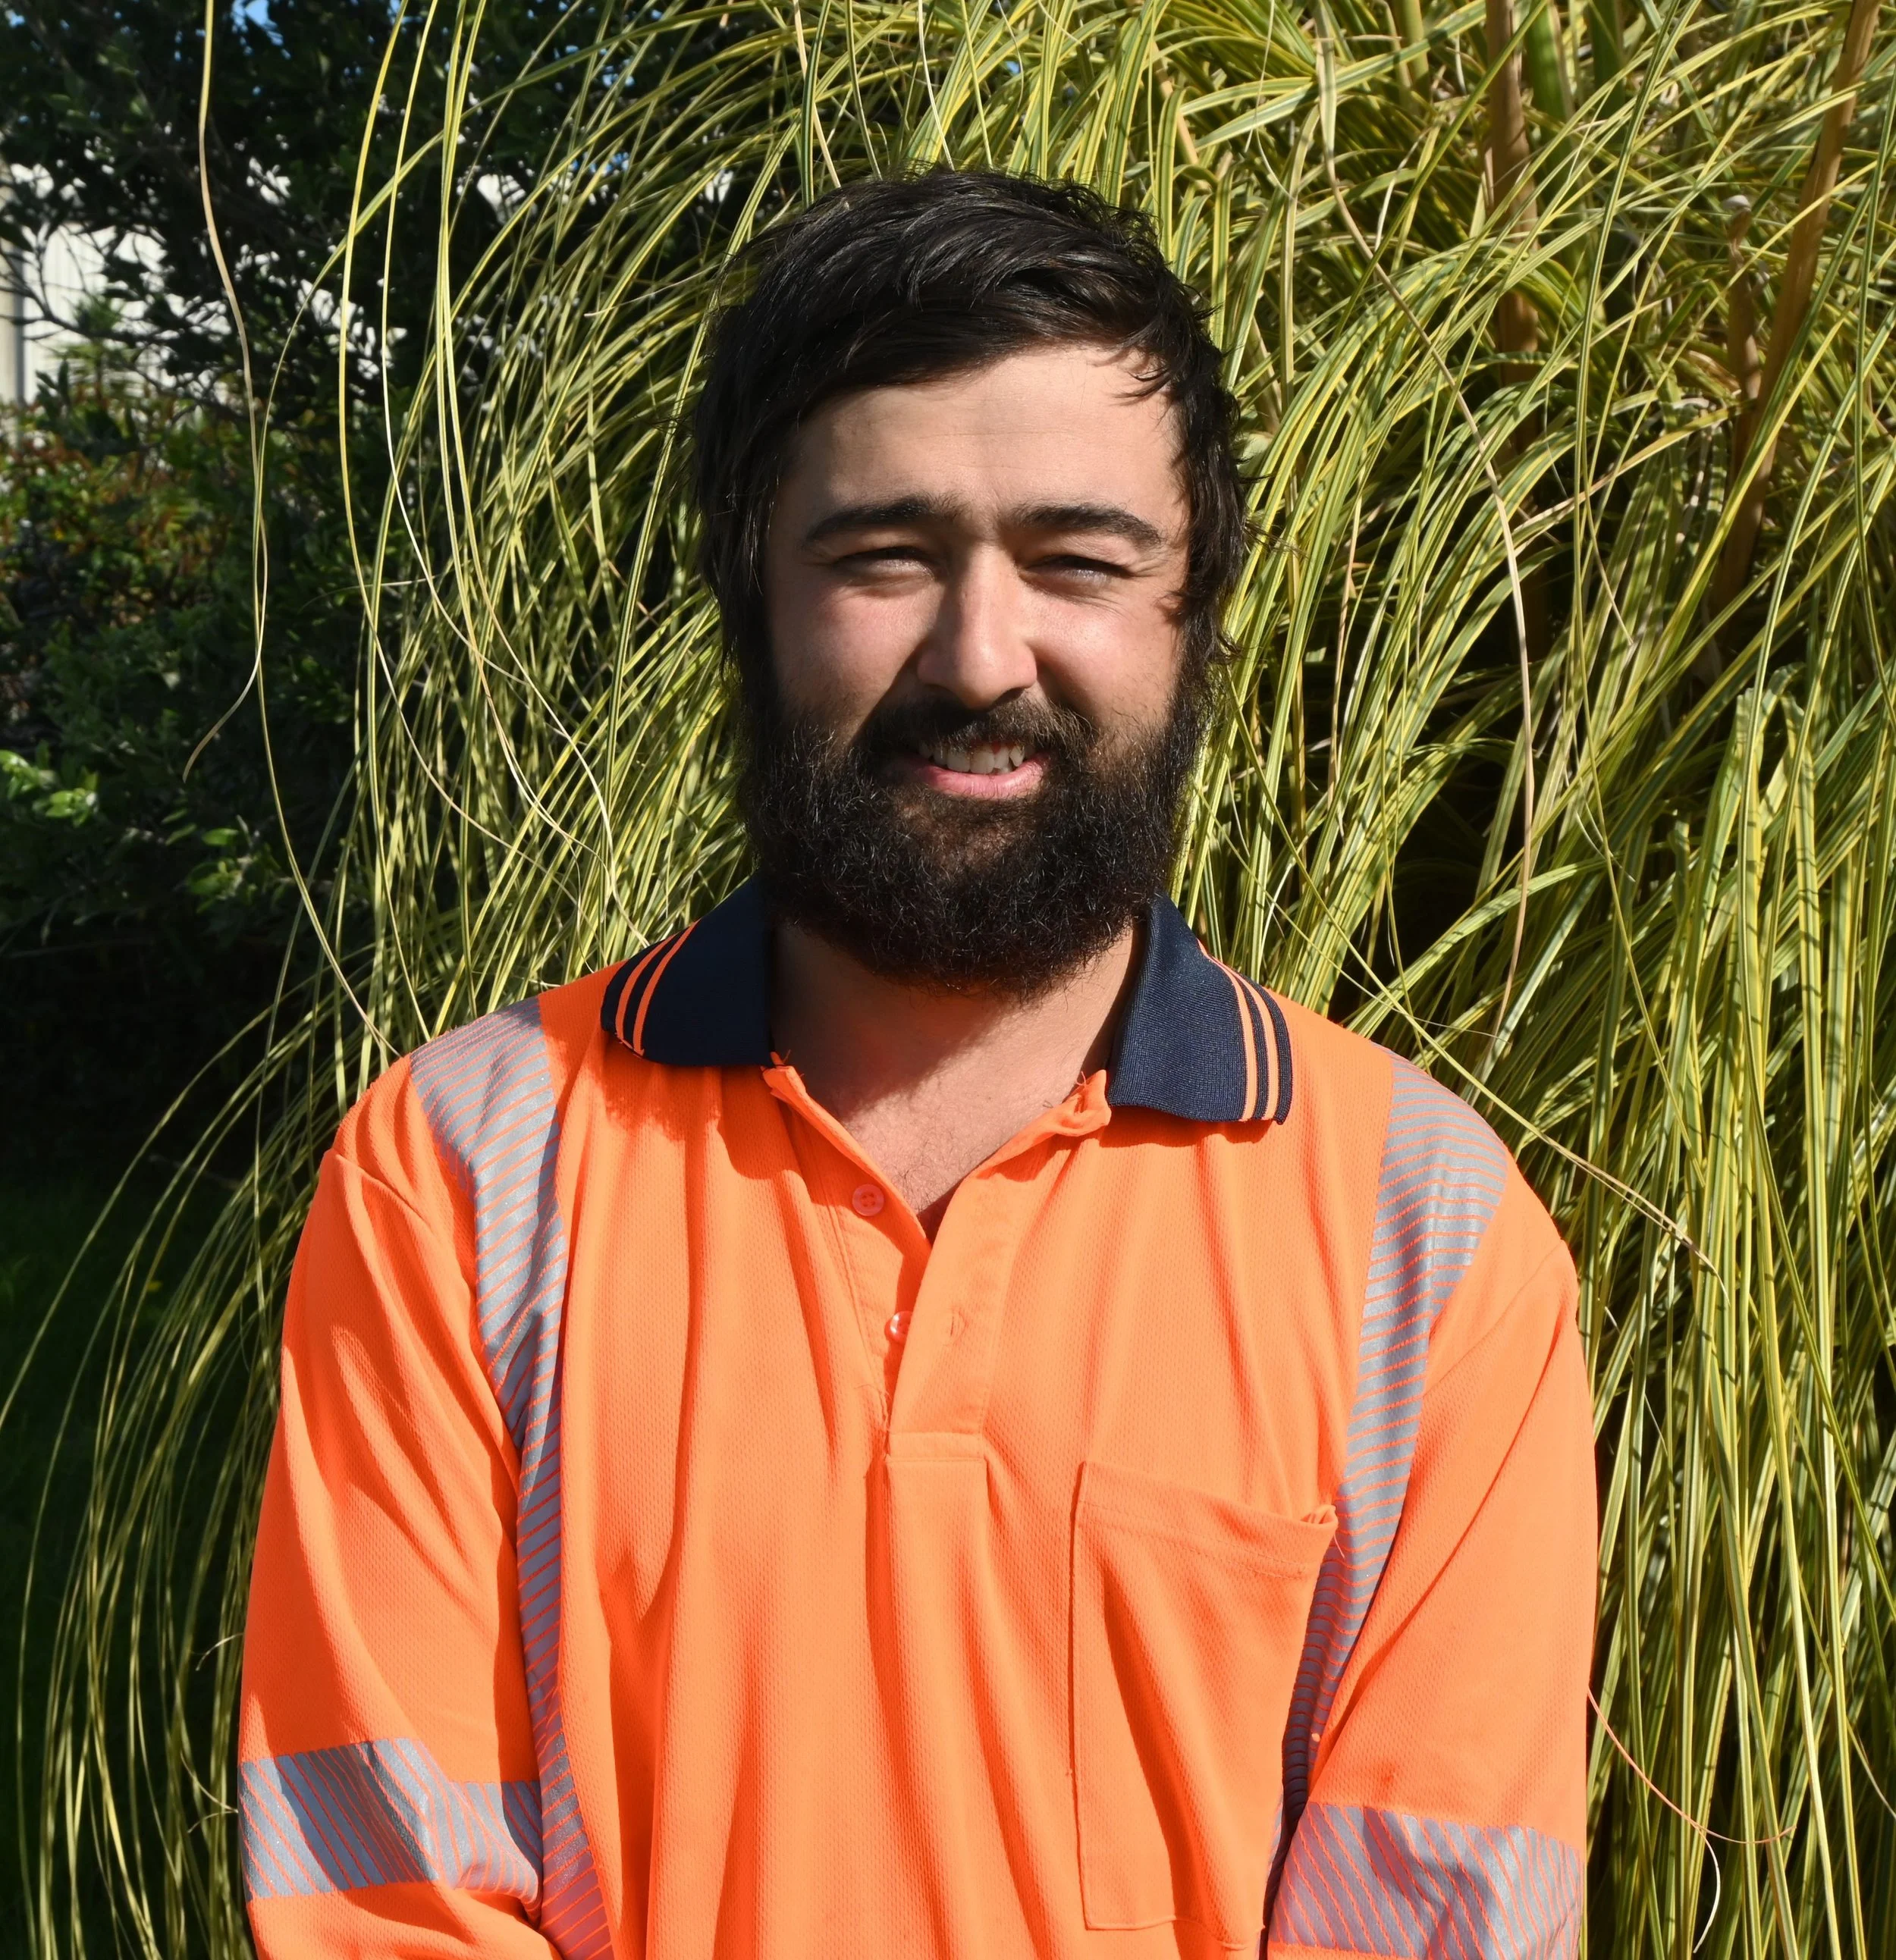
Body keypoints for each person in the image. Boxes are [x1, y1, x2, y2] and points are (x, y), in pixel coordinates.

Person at [237, 171, 1595, 1960]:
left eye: (1077, 560)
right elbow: (383, 1906)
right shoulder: (462, 1168)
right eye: (886, 554)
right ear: (749, 591)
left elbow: (1439, 1930)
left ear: (1192, 616)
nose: (979, 653)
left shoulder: (1421, 1232)